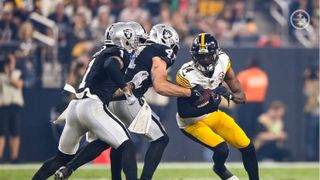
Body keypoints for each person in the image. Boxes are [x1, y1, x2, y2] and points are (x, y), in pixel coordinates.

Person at [54, 23, 206, 180]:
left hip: (109, 96)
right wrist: (189, 92)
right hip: (129, 97)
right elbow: (160, 86)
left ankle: (69, 168)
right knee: (160, 139)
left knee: (112, 141)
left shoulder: (137, 44)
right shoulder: (160, 50)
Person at [32, 24, 140, 180]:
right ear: (123, 39)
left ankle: (63, 170)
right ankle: (69, 168)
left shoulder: (99, 53)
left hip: (75, 107)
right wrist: (125, 88)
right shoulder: (118, 51)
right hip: (92, 107)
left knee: (61, 158)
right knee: (127, 145)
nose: (134, 43)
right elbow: (111, 65)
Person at [176, 33, 259, 180]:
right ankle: (220, 169)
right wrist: (210, 106)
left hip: (212, 114)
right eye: (201, 57)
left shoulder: (223, 61)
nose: (205, 60)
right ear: (194, 57)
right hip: (191, 122)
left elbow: (242, 97)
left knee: (248, 147)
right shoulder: (186, 74)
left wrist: (230, 95)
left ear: (215, 54)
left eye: (208, 56)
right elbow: (183, 112)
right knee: (222, 150)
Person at [0, 53, 24, 163]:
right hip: (3, 106)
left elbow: (18, 84)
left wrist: (9, 74)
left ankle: (14, 157)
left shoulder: (18, 72)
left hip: (15, 106)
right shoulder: (1, 75)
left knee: (15, 132)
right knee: (2, 132)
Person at [237, 58, 269, 138]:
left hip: (246, 105)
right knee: (257, 129)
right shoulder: (263, 75)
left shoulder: (244, 74)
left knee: (245, 129)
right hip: (259, 105)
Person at [303, 66, 319, 161]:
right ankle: (310, 159)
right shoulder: (311, 83)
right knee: (311, 138)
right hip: (313, 113)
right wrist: (308, 77)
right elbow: (307, 91)